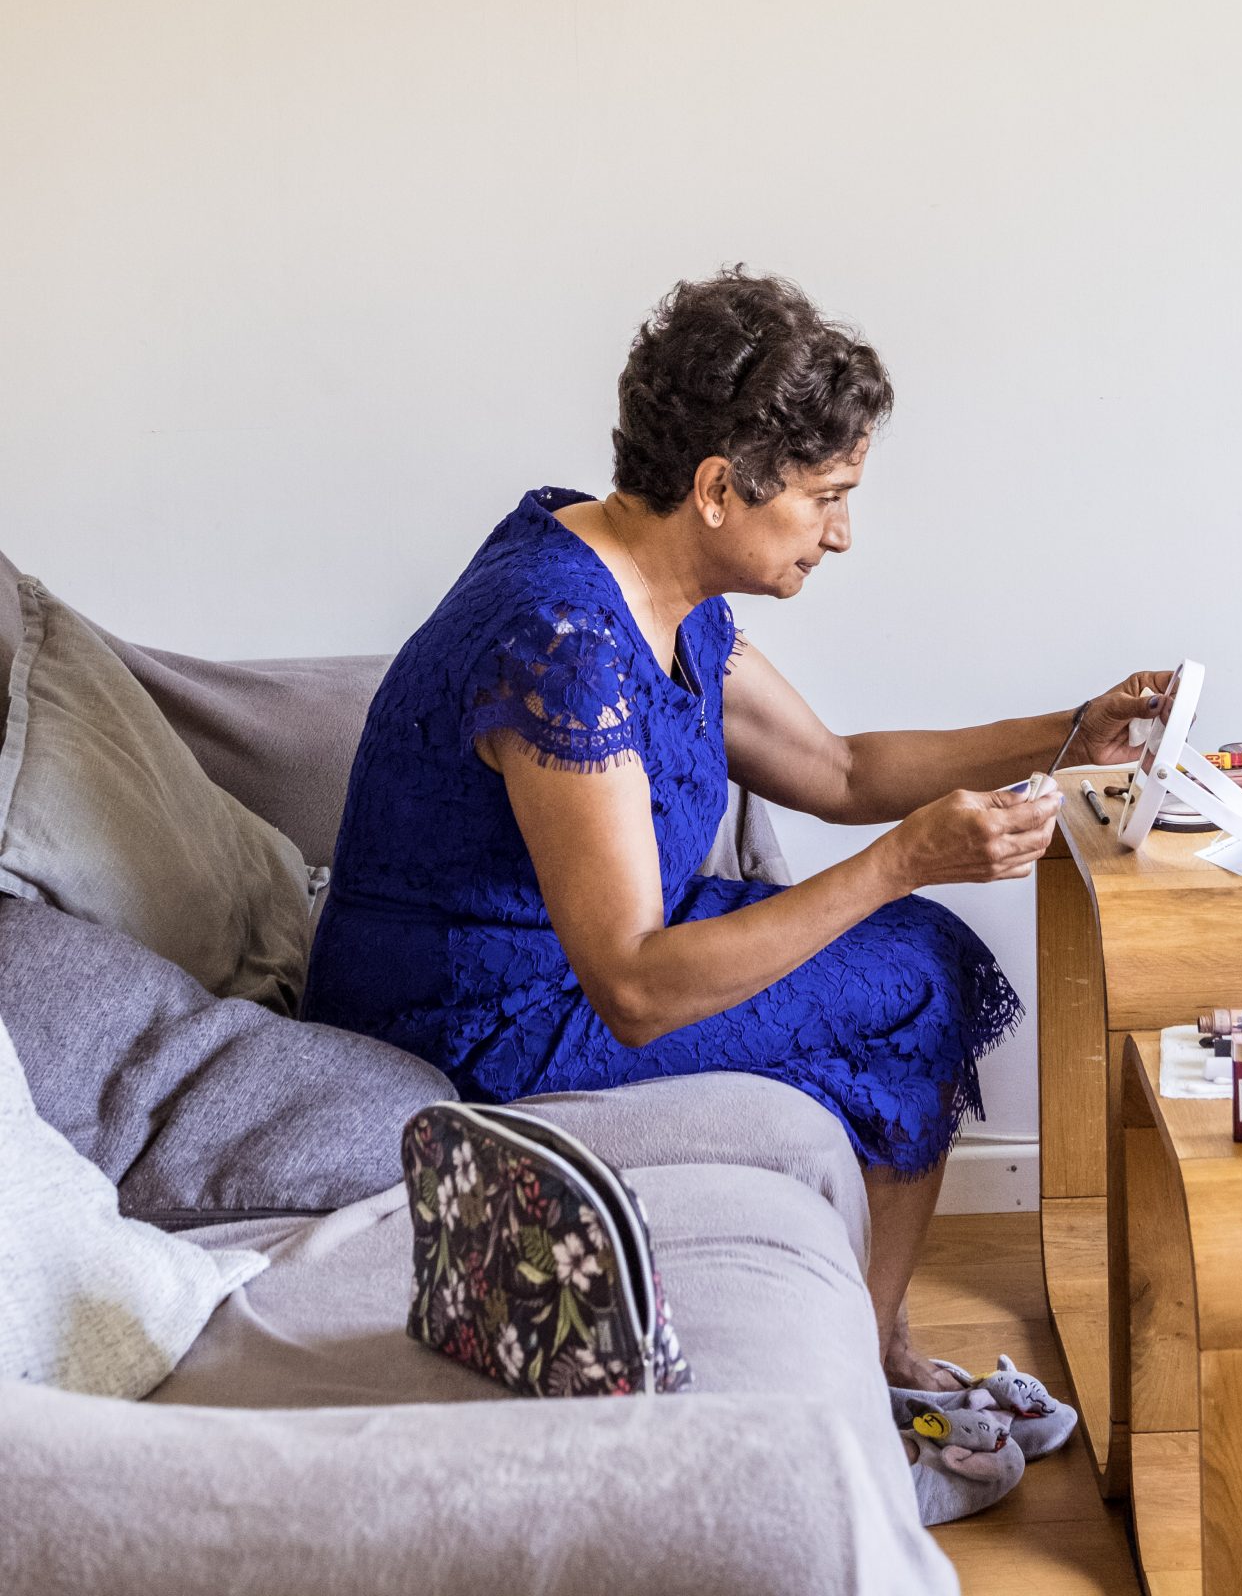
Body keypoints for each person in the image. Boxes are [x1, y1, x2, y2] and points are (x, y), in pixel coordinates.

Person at [303, 269, 1173, 1441]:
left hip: (586, 959)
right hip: (481, 1017)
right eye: (826, 496)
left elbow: (838, 769)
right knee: (916, 966)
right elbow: (636, 986)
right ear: (719, 487)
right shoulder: (559, 635)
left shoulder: (665, 580)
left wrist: (1073, 729)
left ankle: (876, 1348)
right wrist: (905, 859)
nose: (844, 532)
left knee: (916, 951)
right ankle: (864, 1389)